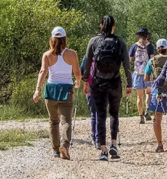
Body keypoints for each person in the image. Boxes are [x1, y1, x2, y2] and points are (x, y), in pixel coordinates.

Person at [82, 15, 132, 162]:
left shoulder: (93, 41)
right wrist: (129, 83)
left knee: (101, 115)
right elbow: (126, 65)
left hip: (98, 82)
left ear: (101, 26)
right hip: (115, 81)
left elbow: (86, 64)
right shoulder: (120, 42)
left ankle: (103, 149)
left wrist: (86, 81)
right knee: (114, 114)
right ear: (114, 26)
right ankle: (114, 144)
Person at [33, 27, 82, 160]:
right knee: (66, 120)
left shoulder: (47, 55)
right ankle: (65, 145)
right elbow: (77, 71)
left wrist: (37, 90)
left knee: (53, 121)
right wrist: (78, 82)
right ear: (65, 39)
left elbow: (43, 72)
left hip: (51, 89)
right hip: (66, 89)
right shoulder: (72, 54)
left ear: (52, 39)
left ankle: (55, 150)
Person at [144, 39, 167, 152]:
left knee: (157, 119)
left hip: (157, 92)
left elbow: (146, 78)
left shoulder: (152, 61)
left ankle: (160, 145)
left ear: (157, 49)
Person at [129, 27, 155, 124]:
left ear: (139, 36)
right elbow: (152, 60)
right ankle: (147, 110)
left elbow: (129, 59)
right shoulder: (150, 46)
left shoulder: (134, 46)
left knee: (139, 97)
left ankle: (140, 116)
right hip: (147, 73)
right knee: (148, 93)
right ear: (147, 36)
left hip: (138, 74)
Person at [79, 54, 99, 149]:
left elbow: (81, 72)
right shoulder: (106, 55)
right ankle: (98, 138)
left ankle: (95, 138)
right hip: (101, 87)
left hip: (93, 86)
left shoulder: (87, 56)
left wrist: (84, 83)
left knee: (95, 112)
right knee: (98, 112)